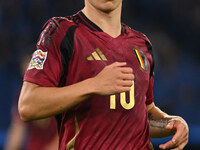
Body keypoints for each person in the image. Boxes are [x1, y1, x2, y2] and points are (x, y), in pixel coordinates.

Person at [18, 0, 189, 149]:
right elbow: (28, 105)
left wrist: (172, 122)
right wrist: (93, 85)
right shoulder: (62, 32)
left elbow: (144, 113)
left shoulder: (142, 44)